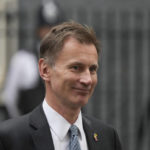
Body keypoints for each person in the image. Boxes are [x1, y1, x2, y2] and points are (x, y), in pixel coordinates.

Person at [0, 21, 122, 150]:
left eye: (92, 69)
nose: (87, 80)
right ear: (45, 70)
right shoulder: (9, 139)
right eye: (75, 67)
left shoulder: (108, 138)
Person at [1, 0, 65, 118]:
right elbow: (9, 101)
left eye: (56, 29)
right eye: (46, 28)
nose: (51, 33)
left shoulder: (67, 61)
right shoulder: (23, 60)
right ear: (39, 30)